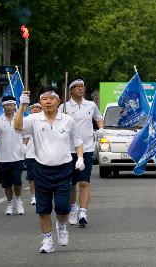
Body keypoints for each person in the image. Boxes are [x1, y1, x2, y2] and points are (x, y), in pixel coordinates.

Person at [14, 86, 84, 253]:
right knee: (43, 209)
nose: (48, 101)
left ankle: (62, 225)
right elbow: (17, 127)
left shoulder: (68, 120)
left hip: (63, 170)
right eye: (44, 98)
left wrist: (80, 158)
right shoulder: (33, 119)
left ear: (58, 101)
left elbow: (78, 141)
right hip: (41, 169)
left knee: (62, 207)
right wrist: (21, 107)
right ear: (40, 102)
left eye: (51, 98)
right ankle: (47, 241)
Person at [60, 78, 104, 227]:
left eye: (82, 86)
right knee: (71, 184)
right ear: (71, 90)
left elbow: (99, 119)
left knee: (84, 182)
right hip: (68, 149)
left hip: (87, 148)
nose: (80, 89)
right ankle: (73, 207)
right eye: (76, 87)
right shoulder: (63, 107)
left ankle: (83, 212)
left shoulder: (91, 105)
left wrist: (101, 129)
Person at [0, 95, 25, 215]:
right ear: (3, 107)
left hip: (17, 156)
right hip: (3, 157)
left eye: (11, 105)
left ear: (15, 106)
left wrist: (24, 145)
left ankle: (18, 201)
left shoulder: (20, 119)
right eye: (6, 105)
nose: (9, 107)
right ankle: (10, 203)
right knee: (7, 184)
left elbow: (26, 135)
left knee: (17, 182)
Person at [23, 102, 42, 205]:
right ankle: (34, 196)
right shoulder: (28, 120)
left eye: (37, 107)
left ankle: (41, 195)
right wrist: (24, 146)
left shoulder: (44, 119)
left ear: (41, 109)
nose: (35, 109)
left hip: (43, 155)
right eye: (33, 107)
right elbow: (25, 135)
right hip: (30, 155)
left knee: (43, 176)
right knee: (31, 178)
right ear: (30, 110)